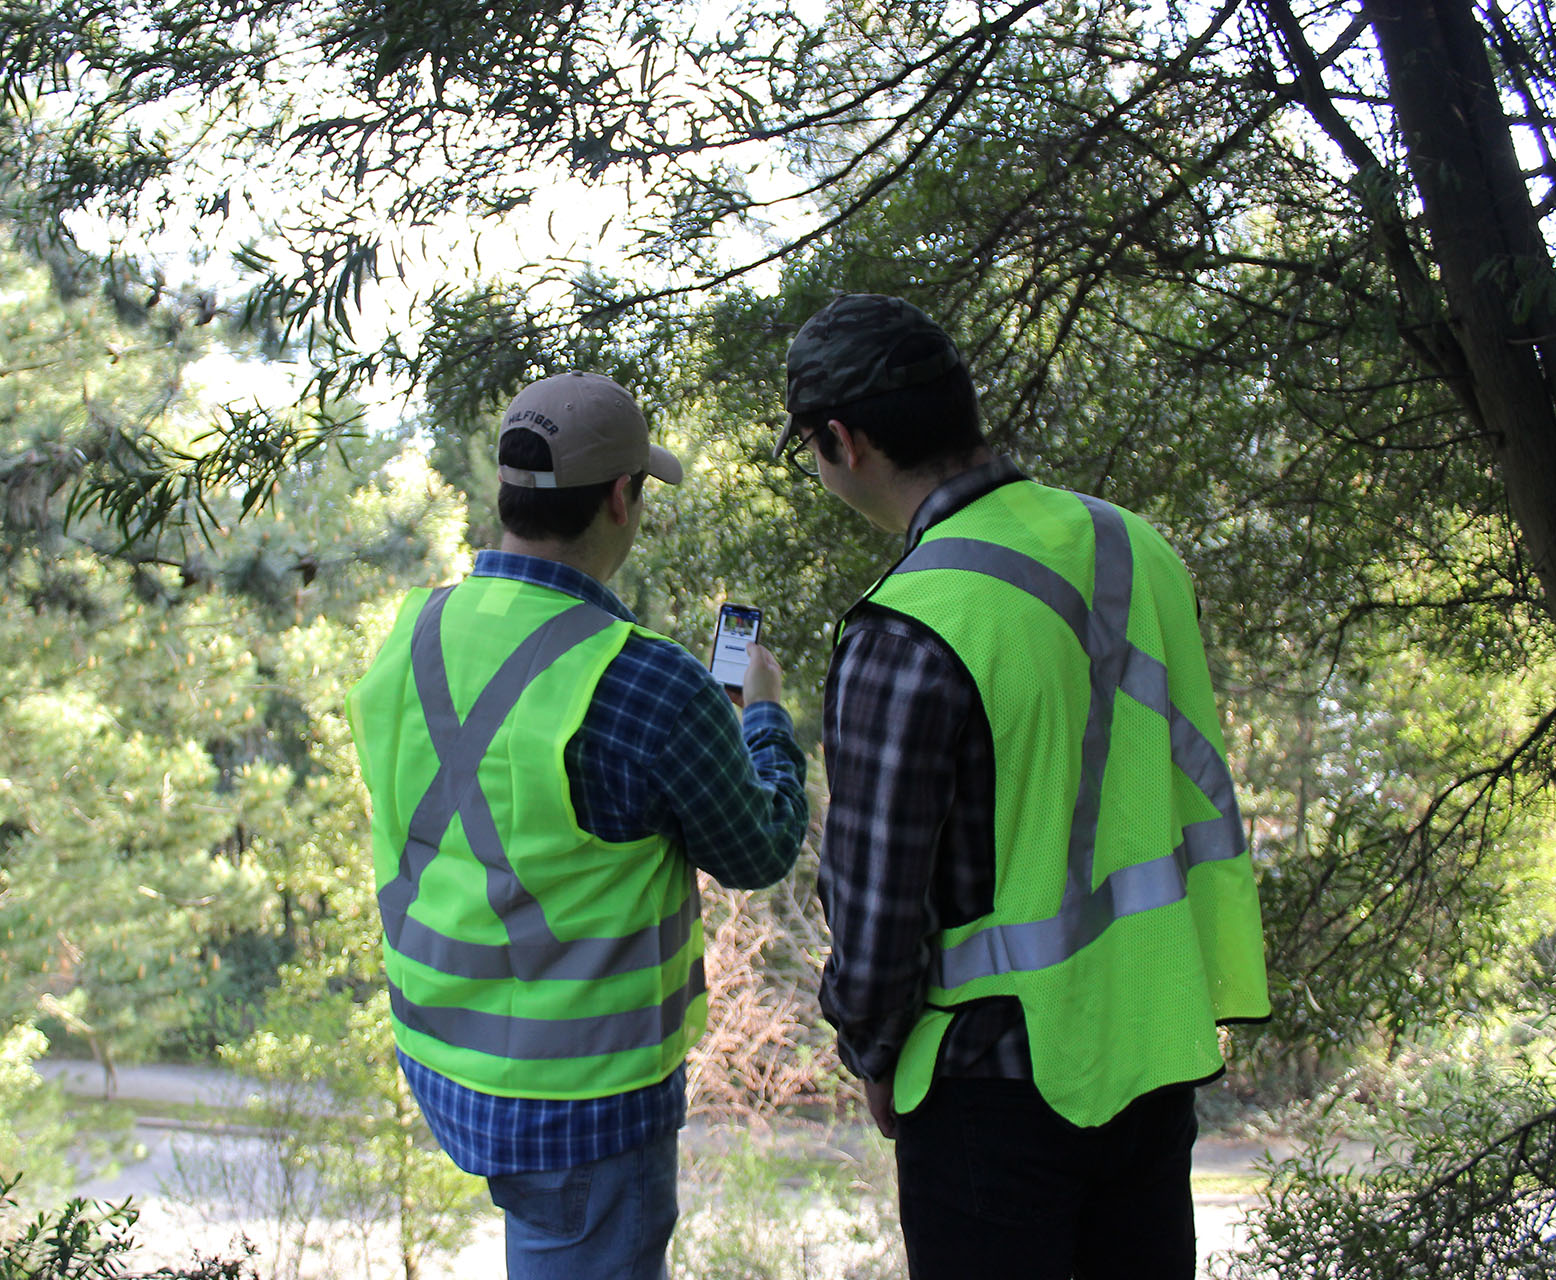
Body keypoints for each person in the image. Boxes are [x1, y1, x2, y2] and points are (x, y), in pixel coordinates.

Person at [774, 295, 1270, 1279]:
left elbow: (875, 917)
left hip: (989, 1095)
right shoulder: (1133, 547)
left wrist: (871, 1052)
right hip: (1149, 1054)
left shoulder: (904, 626)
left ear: (841, 440)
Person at [349, 370, 809, 1280]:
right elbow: (760, 848)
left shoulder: (416, 628)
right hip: (581, 1107)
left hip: (444, 1062)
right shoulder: (650, 681)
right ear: (620, 500)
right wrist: (760, 717)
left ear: (505, 495)